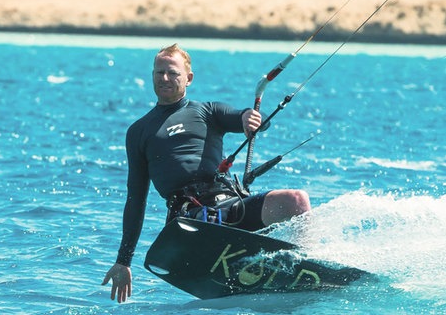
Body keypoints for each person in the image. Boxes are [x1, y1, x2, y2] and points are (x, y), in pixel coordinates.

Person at [101, 43, 311, 303]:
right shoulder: (139, 131)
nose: (164, 78)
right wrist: (123, 261)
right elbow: (135, 199)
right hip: (189, 222)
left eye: (172, 73)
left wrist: (250, 118)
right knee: (197, 223)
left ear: (188, 78)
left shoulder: (207, 111)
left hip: (231, 207)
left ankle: (305, 262)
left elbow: (244, 116)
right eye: (158, 72)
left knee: (296, 200)